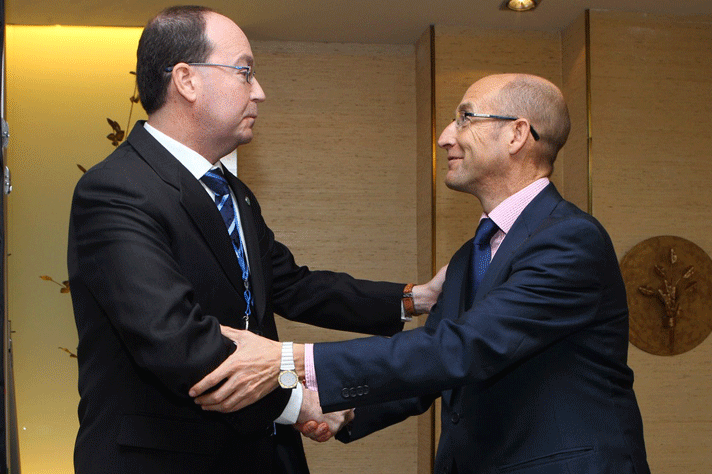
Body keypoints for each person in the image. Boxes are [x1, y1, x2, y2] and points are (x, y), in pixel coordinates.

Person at [191, 74, 651, 474]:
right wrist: (347, 413)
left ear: (517, 134)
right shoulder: (473, 253)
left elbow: (463, 349)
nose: (446, 136)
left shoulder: (570, 239)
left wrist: (288, 360)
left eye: (466, 117)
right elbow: (434, 369)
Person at [67, 6, 444, 474]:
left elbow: (292, 286)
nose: (260, 92)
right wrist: (300, 403)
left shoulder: (232, 192)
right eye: (245, 72)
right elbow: (175, 341)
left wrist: (415, 298)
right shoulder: (116, 189)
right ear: (186, 80)